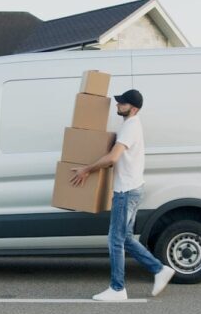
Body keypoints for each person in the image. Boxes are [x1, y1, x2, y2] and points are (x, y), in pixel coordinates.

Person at [69, 89, 175, 301]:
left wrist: (86, 170)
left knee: (115, 240)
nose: (117, 105)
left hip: (126, 191)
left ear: (133, 108)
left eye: (122, 103)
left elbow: (112, 159)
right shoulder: (130, 125)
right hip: (133, 188)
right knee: (124, 238)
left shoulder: (130, 126)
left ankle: (118, 289)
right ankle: (159, 269)